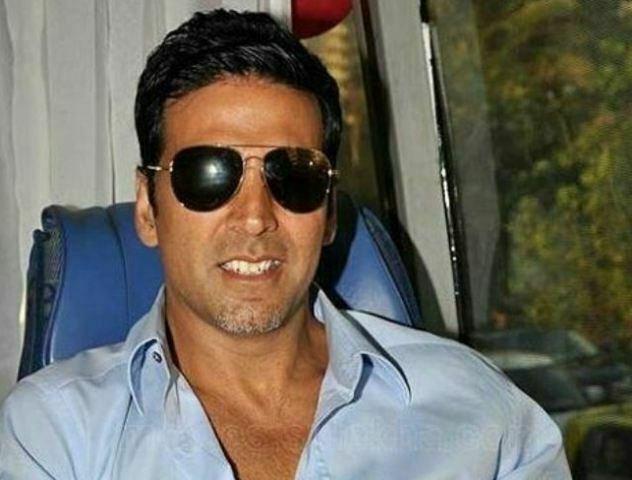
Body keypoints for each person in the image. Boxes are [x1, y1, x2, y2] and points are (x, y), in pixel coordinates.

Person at [0, 9, 571, 479]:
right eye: (208, 174)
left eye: (294, 176)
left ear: (328, 212)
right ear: (148, 208)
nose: (254, 218)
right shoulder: (55, 437)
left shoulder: (479, 414)